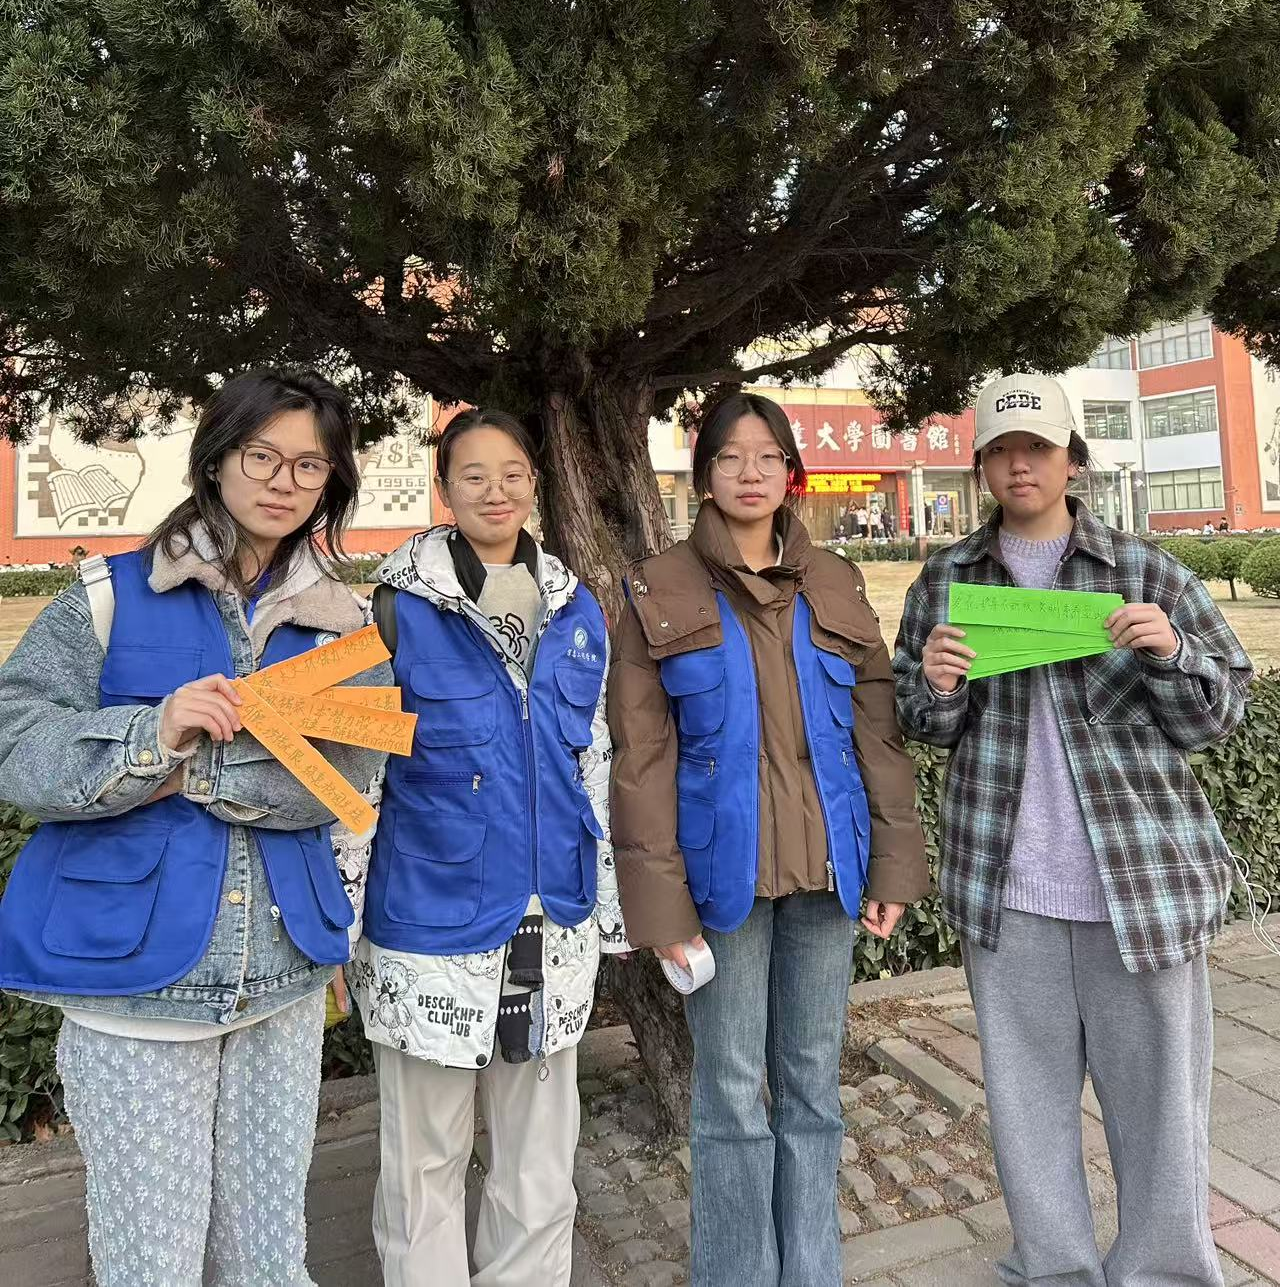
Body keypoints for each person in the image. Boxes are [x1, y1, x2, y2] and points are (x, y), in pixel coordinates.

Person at [0, 371, 389, 1287]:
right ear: (216, 459)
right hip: (135, 985)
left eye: (310, 465)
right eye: (262, 455)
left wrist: (197, 770)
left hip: (283, 977)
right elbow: (17, 744)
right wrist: (154, 733)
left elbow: (352, 777)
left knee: (270, 1258)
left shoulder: (342, 622)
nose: (284, 480)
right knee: (153, 1262)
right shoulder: (110, 594)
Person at [894, 373, 1252, 1287]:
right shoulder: (948, 579)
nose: (1020, 464)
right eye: (1002, 450)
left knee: (1161, 1104)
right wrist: (935, 683)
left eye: (1039, 448)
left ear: (1071, 459)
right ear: (981, 465)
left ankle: (1167, 1271)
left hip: (1141, 887)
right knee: (1027, 1107)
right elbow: (921, 722)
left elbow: (1220, 713)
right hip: (1008, 888)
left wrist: (1172, 650)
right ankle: (1053, 1270)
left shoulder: (1145, 570)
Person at [608, 391, 930, 1287]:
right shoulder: (658, 586)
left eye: (767, 457)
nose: (749, 474)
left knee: (813, 1090)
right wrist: (661, 907)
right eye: (729, 457)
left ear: (791, 473)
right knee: (728, 1098)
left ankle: (812, 1272)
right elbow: (642, 759)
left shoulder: (835, 579)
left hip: (829, 875)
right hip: (723, 884)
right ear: (704, 473)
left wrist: (893, 865)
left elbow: (876, 736)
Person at [343, 409, 626, 1287]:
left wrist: (613, 910)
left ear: (534, 483)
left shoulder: (576, 609)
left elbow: (596, 767)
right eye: (473, 475)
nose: (495, 491)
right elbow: (358, 784)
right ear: (444, 489)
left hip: (552, 921)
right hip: (428, 927)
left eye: (512, 473)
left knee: (540, 1164)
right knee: (423, 1163)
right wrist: (334, 928)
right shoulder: (394, 609)